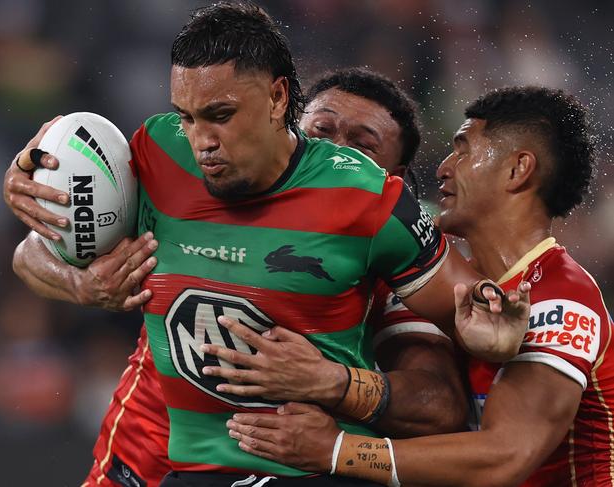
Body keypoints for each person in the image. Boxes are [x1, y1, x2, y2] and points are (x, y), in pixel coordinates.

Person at [4, 3, 530, 485]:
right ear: (294, 111)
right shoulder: (159, 152)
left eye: (221, 116)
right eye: (189, 117)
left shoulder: (372, 208)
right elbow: (35, 252)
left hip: (297, 464)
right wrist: (76, 269)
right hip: (156, 448)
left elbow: (464, 348)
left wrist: (334, 383)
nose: (202, 141)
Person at [225, 86, 613, 487]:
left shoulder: (561, 298)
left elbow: (504, 455)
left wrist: (336, 450)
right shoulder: (445, 283)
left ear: (517, 170)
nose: (443, 168)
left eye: (463, 150)